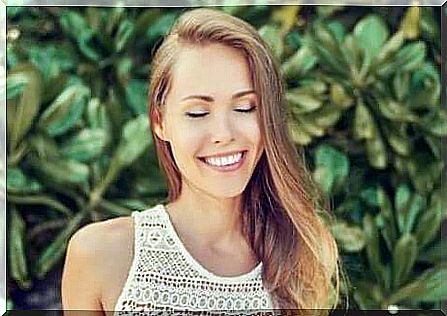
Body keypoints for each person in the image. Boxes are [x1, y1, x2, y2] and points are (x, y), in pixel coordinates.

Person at [61, 7, 342, 314]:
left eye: (246, 107)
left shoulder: (302, 254)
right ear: (160, 122)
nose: (223, 134)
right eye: (197, 112)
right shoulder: (101, 254)